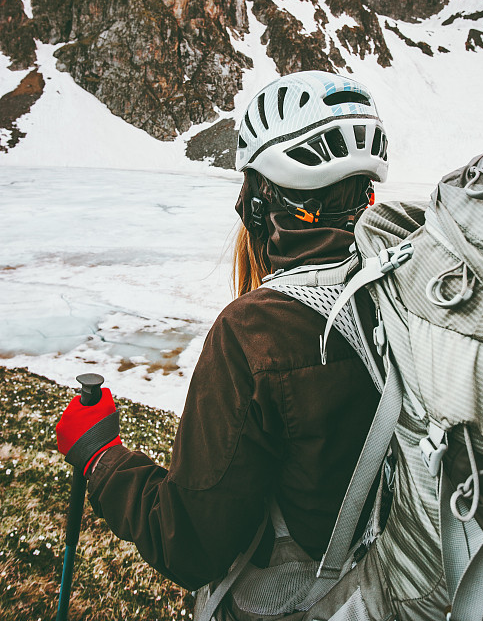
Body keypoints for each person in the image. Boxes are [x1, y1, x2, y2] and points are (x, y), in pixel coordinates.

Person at [56, 70, 389, 606]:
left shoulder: (254, 335)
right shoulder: (395, 291)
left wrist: (99, 455)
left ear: (259, 201)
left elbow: (188, 543)